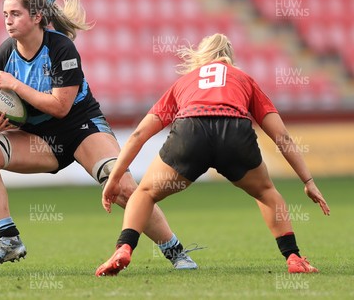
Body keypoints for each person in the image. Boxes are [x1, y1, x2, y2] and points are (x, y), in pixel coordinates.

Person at [0, 0, 199, 269]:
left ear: (37, 16)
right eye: (5, 14)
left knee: (123, 187)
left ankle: (175, 252)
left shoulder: (61, 48)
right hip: (37, 136)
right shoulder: (4, 53)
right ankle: (8, 239)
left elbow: (60, 107)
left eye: (15, 14)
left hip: (80, 127)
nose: (8, 20)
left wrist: (15, 85)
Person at [95, 33, 331, 277]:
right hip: (234, 132)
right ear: (229, 57)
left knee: (144, 194)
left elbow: (139, 134)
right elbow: (281, 136)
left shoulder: (184, 82)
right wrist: (308, 181)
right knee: (266, 193)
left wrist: (114, 179)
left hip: (191, 131)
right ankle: (293, 257)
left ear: (202, 56)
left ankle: (124, 248)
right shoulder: (244, 79)